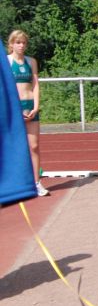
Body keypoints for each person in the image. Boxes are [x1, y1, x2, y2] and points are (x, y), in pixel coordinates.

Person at [6, 30, 48, 197]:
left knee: (34, 146)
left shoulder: (31, 61)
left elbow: (35, 84)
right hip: (14, 108)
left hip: (30, 106)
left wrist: (36, 106)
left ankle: (36, 182)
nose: (21, 45)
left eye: (24, 42)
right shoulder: (7, 62)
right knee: (13, 147)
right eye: (18, 42)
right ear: (11, 44)